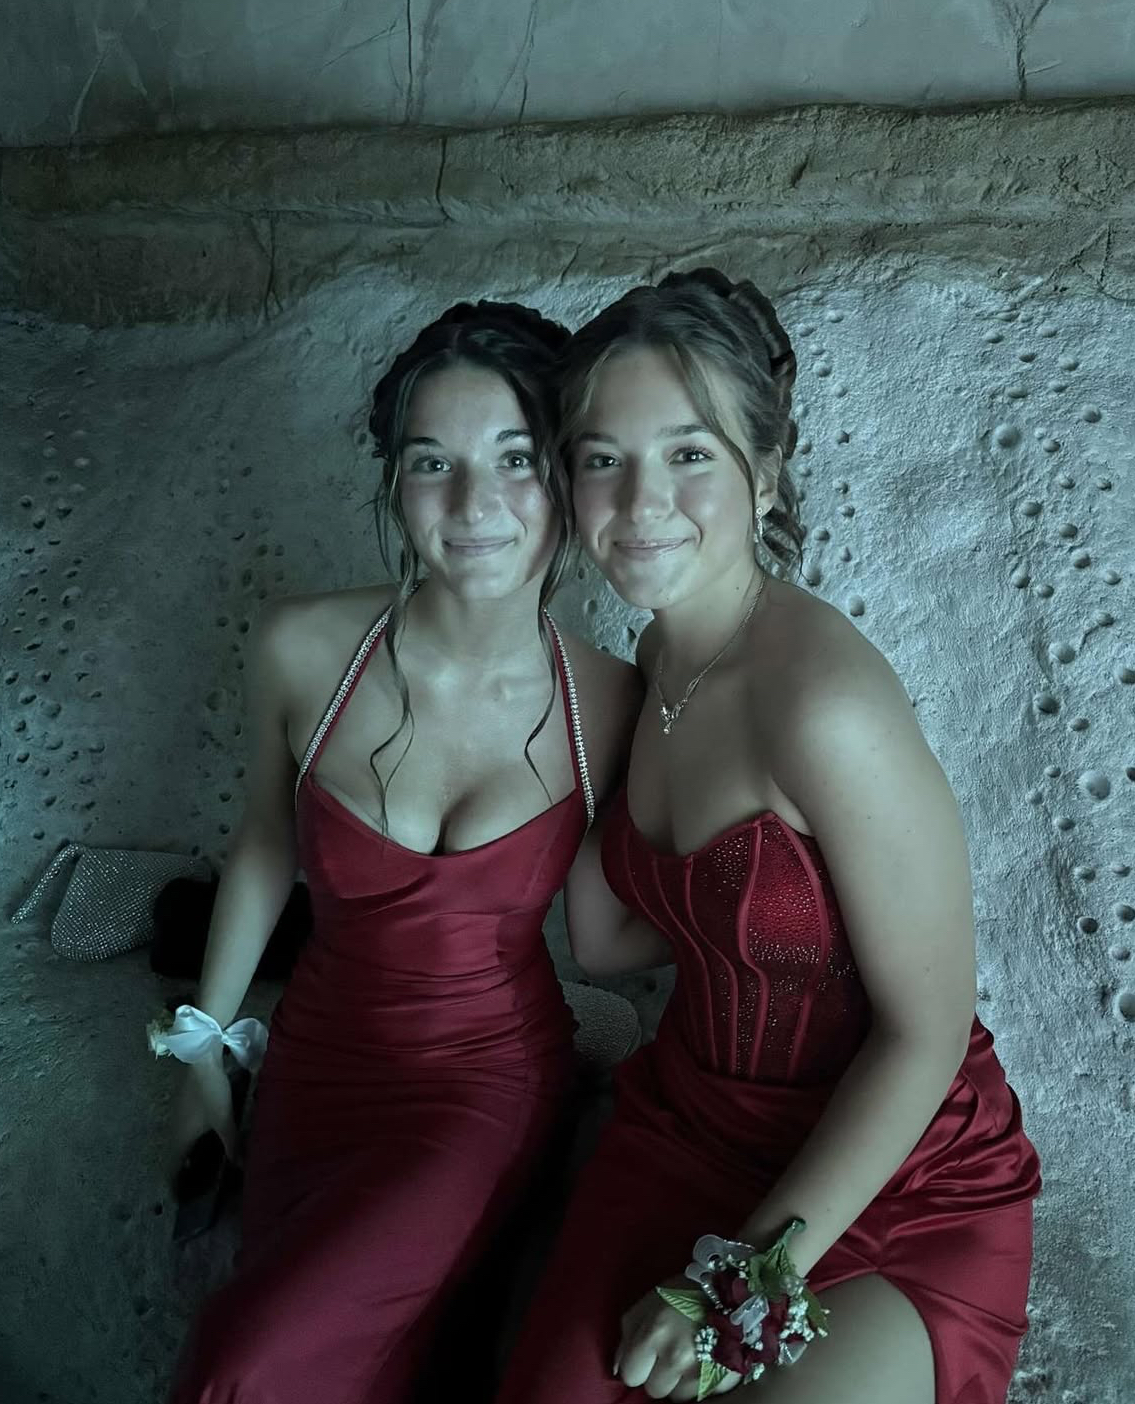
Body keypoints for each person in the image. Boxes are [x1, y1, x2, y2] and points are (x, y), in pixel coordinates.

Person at [494, 269, 1042, 1404]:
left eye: (688, 453)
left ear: (767, 466)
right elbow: (606, 943)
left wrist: (739, 1278)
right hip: (686, 1128)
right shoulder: (655, 666)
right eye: (601, 459)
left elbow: (927, 1031)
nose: (640, 502)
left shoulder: (824, 709)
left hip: (896, 1170)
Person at [159, 299, 641, 1404]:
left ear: (566, 477)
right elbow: (263, 845)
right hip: (318, 1069)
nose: (473, 505)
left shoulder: (612, 703)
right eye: (433, 463)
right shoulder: (300, 647)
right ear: (392, 483)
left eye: (515, 459)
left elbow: (609, 933)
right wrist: (200, 1055)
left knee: (247, 1368)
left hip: (488, 1084)